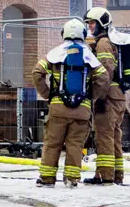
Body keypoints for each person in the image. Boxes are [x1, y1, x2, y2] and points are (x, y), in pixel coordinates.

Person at [34, 18, 107, 187]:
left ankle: (47, 179)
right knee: (75, 145)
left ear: (63, 34)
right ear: (83, 34)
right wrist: (91, 96)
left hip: (58, 108)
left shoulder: (55, 53)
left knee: (52, 143)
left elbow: (37, 71)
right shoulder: (88, 55)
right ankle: (72, 179)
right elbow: (103, 78)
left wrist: (47, 94)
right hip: (82, 110)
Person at [83, 6, 128, 185]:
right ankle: (117, 175)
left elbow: (105, 71)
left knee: (104, 136)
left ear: (102, 23)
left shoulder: (103, 43)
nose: (90, 27)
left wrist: (99, 96)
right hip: (118, 96)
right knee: (114, 137)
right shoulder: (112, 41)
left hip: (108, 96)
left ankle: (104, 175)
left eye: (92, 23)